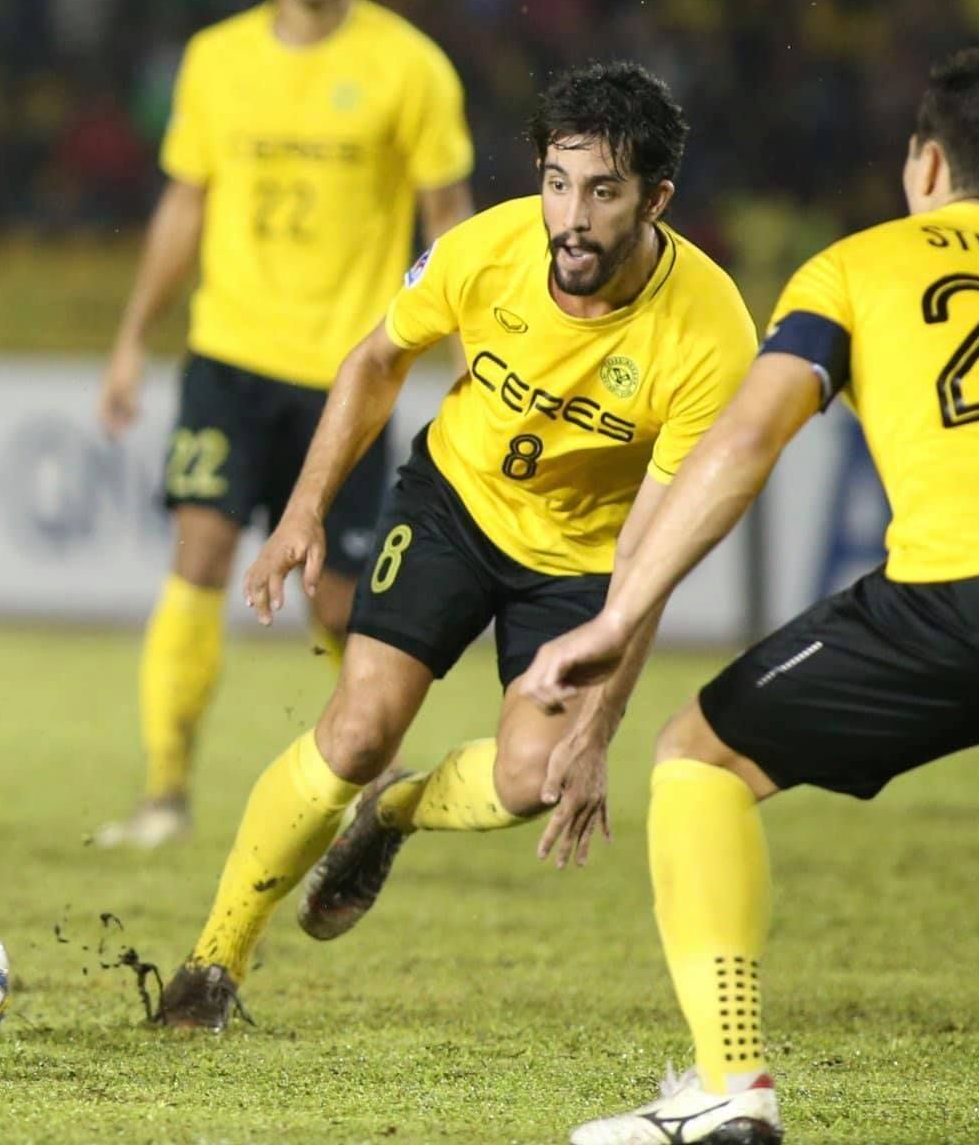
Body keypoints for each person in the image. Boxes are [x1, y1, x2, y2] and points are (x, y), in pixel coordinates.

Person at [516, 46, 979, 1144]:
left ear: (923, 165)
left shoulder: (857, 266)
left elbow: (743, 442)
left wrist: (619, 612)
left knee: (698, 757)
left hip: (968, 597)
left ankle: (730, 1089)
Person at [155, 62, 757, 1027]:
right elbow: (376, 361)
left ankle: (396, 811)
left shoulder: (711, 336)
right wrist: (305, 511)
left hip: (586, 560)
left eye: (603, 192)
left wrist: (599, 731)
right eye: (558, 182)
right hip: (453, 506)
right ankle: (213, 966)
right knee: (357, 732)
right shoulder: (487, 249)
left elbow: (657, 552)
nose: (572, 218)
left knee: (535, 777)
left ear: (656, 200)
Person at [94, 0, 475, 849]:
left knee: (339, 599)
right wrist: (131, 338)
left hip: (349, 372)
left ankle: (376, 785)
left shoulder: (411, 67)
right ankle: (164, 792)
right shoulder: (215, 59)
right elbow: (185, 204)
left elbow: (448, 219)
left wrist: (470, 355)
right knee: (199, 552)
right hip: (228, 355)